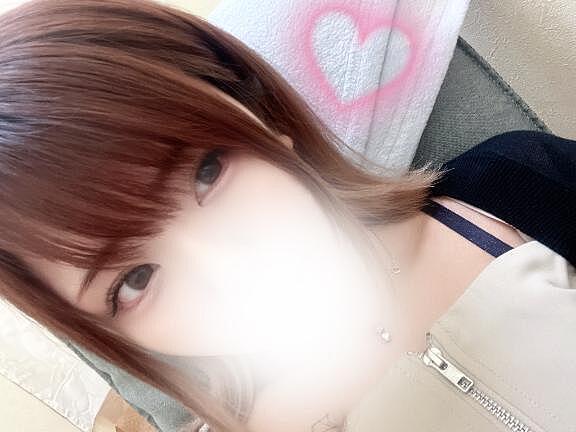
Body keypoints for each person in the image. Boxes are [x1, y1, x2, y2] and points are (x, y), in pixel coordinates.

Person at [0, 1, 574, 432]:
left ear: (256, 112)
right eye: (134, 280)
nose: (228, 267)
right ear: (104, 333)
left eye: (207, 172)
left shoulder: (511, 184)